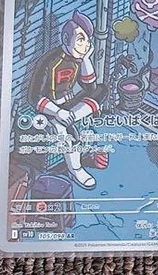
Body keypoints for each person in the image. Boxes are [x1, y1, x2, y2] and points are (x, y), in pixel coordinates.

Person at [27, 12, 104, 190]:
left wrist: (86, 60)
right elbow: (34, 97)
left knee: (102, 90)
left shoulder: (78, 59)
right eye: (81, 40)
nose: (85, 45)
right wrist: (58, 112)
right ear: (66, 38)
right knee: (70, 135)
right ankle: (76, 170)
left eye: (87, 41)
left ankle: (70, 118)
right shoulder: (50, 61)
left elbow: (91, 88)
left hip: (70, 107)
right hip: (51, 108)